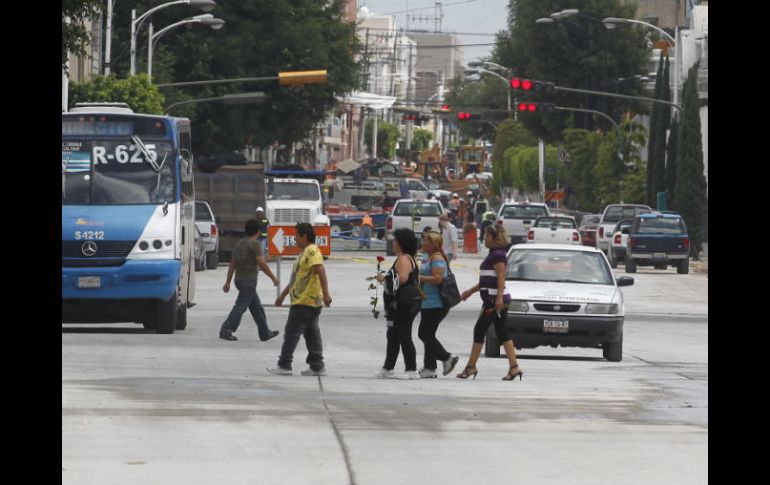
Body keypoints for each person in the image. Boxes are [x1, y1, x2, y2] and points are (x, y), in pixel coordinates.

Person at [456, 224, 524, 381]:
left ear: (495, 239)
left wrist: (498, 297)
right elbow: (487, 280)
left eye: (487, 236)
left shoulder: (498, 255)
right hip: (496, 299)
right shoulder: (494, 254)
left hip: (494, 301)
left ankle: (471, 367)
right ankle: (514, 367)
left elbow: (501, 276)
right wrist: (469, 292)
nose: (484, 239)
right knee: (502, 332)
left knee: (479, 330)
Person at [267, 223, 332, 376]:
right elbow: (296, 279)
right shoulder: (304, 254)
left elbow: (320, 270)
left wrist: (326, 293)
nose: (295, 238)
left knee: (291, 332)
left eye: (297, 235)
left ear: (304, 236)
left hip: (305, 301)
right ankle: (317, 366)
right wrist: (283, 294)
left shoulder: (312, 251)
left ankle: (284, 364)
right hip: (307, 301)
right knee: (311, 333)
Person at [219, 218, 280, 342]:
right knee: (240, 306)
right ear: (258, 232)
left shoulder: (240, 243)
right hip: (249, 281)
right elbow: (261, 262)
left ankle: (265, 333)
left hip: (239, 280)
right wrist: (273, 278)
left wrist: (228, 282)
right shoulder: (255, 244)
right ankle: (226, 330)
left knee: (257, 308)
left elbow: (232, 264)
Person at [375, 228, 422, 379]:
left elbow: (401, 279)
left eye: (394, 240)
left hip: (404, 304)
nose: (393, 243)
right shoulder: (409, 258)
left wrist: (384, 279)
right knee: (393, 334)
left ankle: (411, 370)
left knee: (403, 334)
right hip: (406, 302)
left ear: (400, 243)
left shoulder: (403, 259)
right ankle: (388, 367)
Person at [417, 231, 459, 378]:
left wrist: (418, 277)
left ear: (433, 244)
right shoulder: (427, 257)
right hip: (428, 303)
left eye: (426, 241)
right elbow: (420, 265)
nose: (423, 243)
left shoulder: (437, 258)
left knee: (427, 334)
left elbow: (438, 278)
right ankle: (446, 358)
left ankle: (430, 367)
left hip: (437, 304)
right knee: (425, 334)